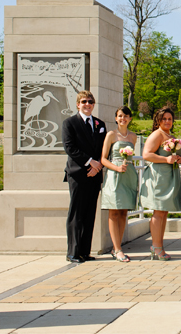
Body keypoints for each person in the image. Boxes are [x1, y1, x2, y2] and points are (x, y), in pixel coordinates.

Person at [62, 90, 106, 263]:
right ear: (78, 104)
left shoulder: (99, 124)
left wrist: (98, 166)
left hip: (94, 175)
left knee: (89, 214)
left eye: (90, 102)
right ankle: (73, 252)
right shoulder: (69, 123)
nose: (87, 104)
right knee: (76, 214)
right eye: (84, 102)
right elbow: (70, 147)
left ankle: (85, 251)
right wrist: (90, 162)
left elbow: (104, 148)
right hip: (78, 174)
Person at [140, 107, 181, 260]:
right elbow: (146, 155)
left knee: (164, 212)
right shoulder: (157, 135)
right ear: (158, 120)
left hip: (169, 177)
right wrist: (166, 159)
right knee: (158, 212)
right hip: (158, 177)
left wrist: (180, 159)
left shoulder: (171, 136)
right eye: (164, 119)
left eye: (169, 119)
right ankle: (156, 246)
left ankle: (159, 245)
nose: (167, 121)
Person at [100, 105, 138, 263]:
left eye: (126, 116)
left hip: (128, 175)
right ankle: (117, 249)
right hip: (115, 175)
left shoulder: (133, 137)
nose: (123, 119)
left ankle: (118, 245)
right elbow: (103, 158)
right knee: (114, 211)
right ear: (116, 118)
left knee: (123, 212)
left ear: (130, 119)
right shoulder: (111, 135)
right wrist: (116, 167)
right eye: (120, 116)